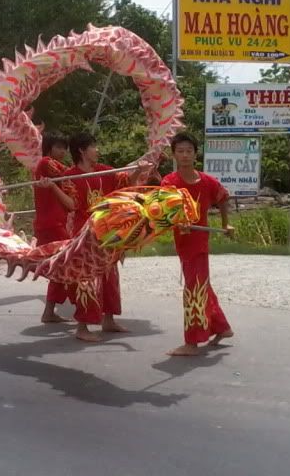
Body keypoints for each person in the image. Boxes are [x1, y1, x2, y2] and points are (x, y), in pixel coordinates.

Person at [65, 132, 147, 343]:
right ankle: (82, 326)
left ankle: (108, 319)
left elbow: (126, 183)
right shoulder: (71, 176)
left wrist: (137, 173)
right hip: (84, 235)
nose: (97, 150)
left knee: (110, 277)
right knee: (87, 280)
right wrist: (50, 185)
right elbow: (71, 205)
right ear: (82, 151)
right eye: (93, 146)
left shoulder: (106, 171)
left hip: (107, 232)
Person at [160, 132, 235, 356]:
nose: (184, 155)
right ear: (174, 155)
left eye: (189, 151)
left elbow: (223, 197)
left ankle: (192, 342)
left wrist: (226, 224)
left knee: (194, 289)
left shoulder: (207, 181)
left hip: (199, 242)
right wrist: (175, 221)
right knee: (201, 284)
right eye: (180, 151)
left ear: (195, 154)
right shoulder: (169, 182)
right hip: (183, 240)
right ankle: (222, 327)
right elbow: (164, 211)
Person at [33, 131, 76, 324]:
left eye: (65, 148)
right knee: (66, 263)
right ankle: (82, 306)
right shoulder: (45, 163)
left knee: (62, 265)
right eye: (58, 147)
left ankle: (50, 311)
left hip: (56, 223)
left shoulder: (60, 176)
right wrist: (83, 169)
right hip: (50, 225)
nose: (63, 151)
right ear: (49, 148)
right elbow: (67, 174)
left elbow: (72, 199)